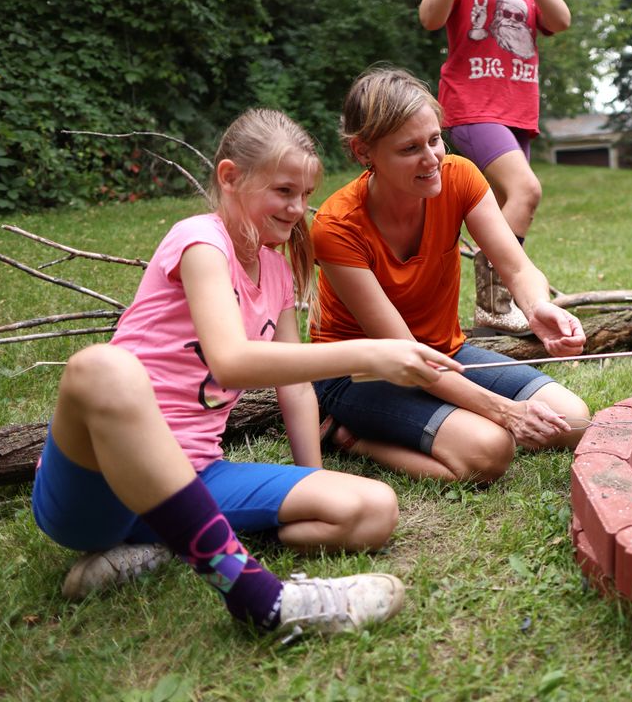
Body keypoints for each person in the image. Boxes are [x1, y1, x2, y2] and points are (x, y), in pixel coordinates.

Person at [32, 109, 463, 638]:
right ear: (230, 177)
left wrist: (313, 476)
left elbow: (295, 386)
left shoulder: (277, 270)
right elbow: (230, 361)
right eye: (283, 191)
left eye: (305, 194)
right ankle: (260, 599)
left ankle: (166, 539)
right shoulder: (200, 241)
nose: (297, 208)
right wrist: (368, 354)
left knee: (372, 509)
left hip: (197, 475)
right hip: (97, 492)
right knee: (104, 367)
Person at [310, 67, 590, 483]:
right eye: (409, 149)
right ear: (363, 151)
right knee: (489, 452)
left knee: (573, 420)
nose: (431, 160)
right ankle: (347, 437)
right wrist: (506, 412)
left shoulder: (458, 177)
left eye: (435, 139)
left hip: (444, 352)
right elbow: (405, 353)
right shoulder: (336, 227)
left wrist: (537, 308)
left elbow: (517, 267)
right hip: (361, 372)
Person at [418, 0, 571, 335]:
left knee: (508, 207)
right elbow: (429, 18)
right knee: (527, 189)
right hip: (471, 107)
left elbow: (561, 20)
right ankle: (494, 303)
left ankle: (494, 318)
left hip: (516, 115)